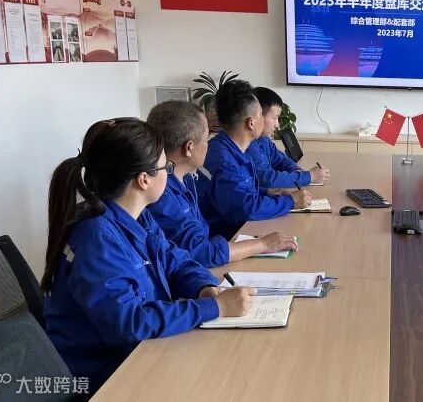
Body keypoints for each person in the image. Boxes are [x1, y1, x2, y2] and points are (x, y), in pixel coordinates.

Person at [41, 118, 257, 391]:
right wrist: (215, 308)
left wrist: (203, 288)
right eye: (166, 167)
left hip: (143, 350)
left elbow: (176, 261)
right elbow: (129, 323)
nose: (170, 173)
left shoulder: (137, 217)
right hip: (106, 375)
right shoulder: (96, 238)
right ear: (143, 179)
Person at [146, 101, 298, 268]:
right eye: (206, 139)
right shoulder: (161, 194)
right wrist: (263, 244)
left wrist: (266, 192)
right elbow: (200, 253)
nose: (208, 145)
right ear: (189, 148)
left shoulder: (187, 178)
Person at [197, 80, 312, 239]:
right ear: (251, 123)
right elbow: (246, 208)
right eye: (261, 115)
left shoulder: (236, 149)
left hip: (239, 228)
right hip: (226, 237)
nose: (266, 121)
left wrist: (268, 192)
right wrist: (290, 201)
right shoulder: (222, 157)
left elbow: (237, 191)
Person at [248, 87, 330, 189]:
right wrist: (309, 176)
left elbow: (281, 161)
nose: (277, 124)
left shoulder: (264, 139)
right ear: (257, 116)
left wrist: (297, 171)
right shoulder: (248, 144)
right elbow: (266, 179)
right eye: (274, 118)